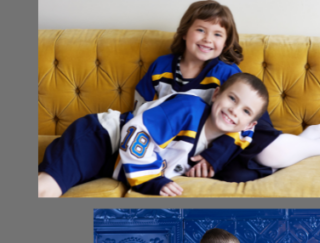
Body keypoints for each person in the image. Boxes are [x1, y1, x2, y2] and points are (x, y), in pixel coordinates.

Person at [133, 0, 320, 184]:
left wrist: (214, 155)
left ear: (225, 43)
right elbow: (141, 110)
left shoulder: (226, 72)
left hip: (236, 133)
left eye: (217, 34)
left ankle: (315, 145)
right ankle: (298, 144)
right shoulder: (160, 66)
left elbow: (248, 122)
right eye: (200, 30)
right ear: (184, 32)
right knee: (236, 176)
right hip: (185, 144)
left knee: (271, 153)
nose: (207, 39)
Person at [37, 73, 266, 196]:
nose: (234, 111)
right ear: (216, 94)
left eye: (245, 111)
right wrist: (152, 180)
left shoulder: (240, 132)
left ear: (251, 123)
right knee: (46, 189)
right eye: (232, 98)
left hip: (112, 165)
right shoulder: (187, 109)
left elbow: (246, 133)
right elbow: (137, 132)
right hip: (102, 139)